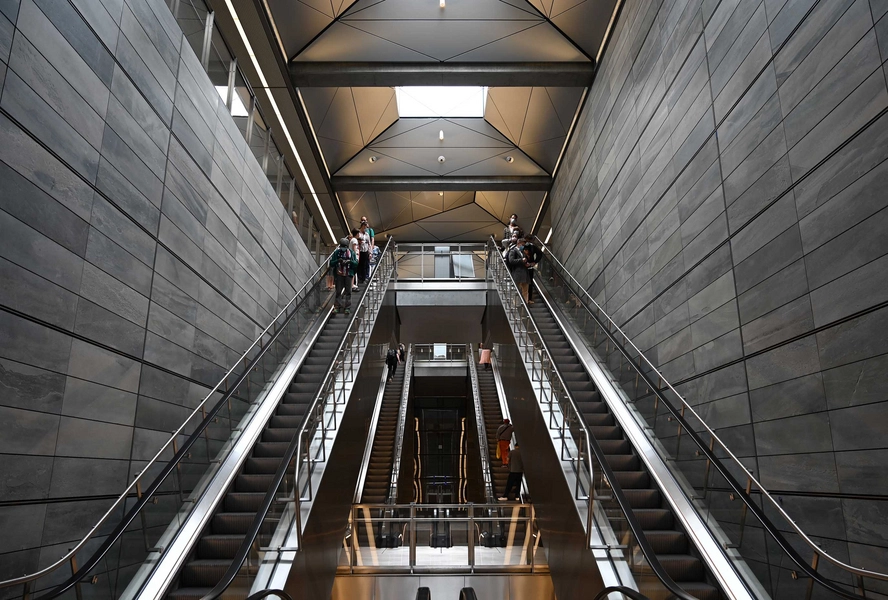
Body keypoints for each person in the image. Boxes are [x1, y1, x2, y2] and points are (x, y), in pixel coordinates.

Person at [330, 238, 357, 315]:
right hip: (339, 274)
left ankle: (347, 308)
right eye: (342, 246)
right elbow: (331, 263)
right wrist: (338, 261)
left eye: (344, 246)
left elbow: (355, 264)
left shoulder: (351, 253)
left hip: (348, 274)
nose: (343, 248)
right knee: (338, 291)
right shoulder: (337, 253)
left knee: (348, 291)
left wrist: (350, 261)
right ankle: (337, 307)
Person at [507, 237, 529, 302]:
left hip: (525, 274)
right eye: (522, 245)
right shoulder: (513, 251)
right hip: (517, 273)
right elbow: (511, 261)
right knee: (517, 291)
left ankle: (526, 304)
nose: (523, 246)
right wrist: (521, 260)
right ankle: (516, 305)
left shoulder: (523, 252)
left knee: (525, 291)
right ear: (518, 243)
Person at [522, 234, 542, 304]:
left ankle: (528, 298)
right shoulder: (523, 247)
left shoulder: (531, 247)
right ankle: (528, 298)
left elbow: (540, 254)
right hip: (524, 267)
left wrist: (535, 262)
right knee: (527, 283)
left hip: (528, 267)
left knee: (528, 283)